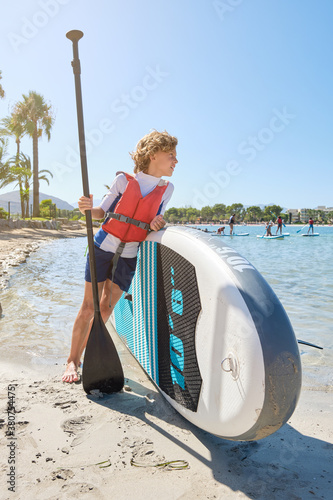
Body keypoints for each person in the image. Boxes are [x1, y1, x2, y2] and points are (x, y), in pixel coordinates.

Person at [62, 130, 178, 383]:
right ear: (153, 155)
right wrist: (86, 208)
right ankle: (72, 360)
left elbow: (153, 218)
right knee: (89, 307)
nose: (175, 161)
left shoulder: (167, 190)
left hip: (129, 255)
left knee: (105, 309)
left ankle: (89, 354)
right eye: (171, 155)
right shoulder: (123, 182)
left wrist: (158, 222)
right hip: (103, 247)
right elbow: (100, 212)